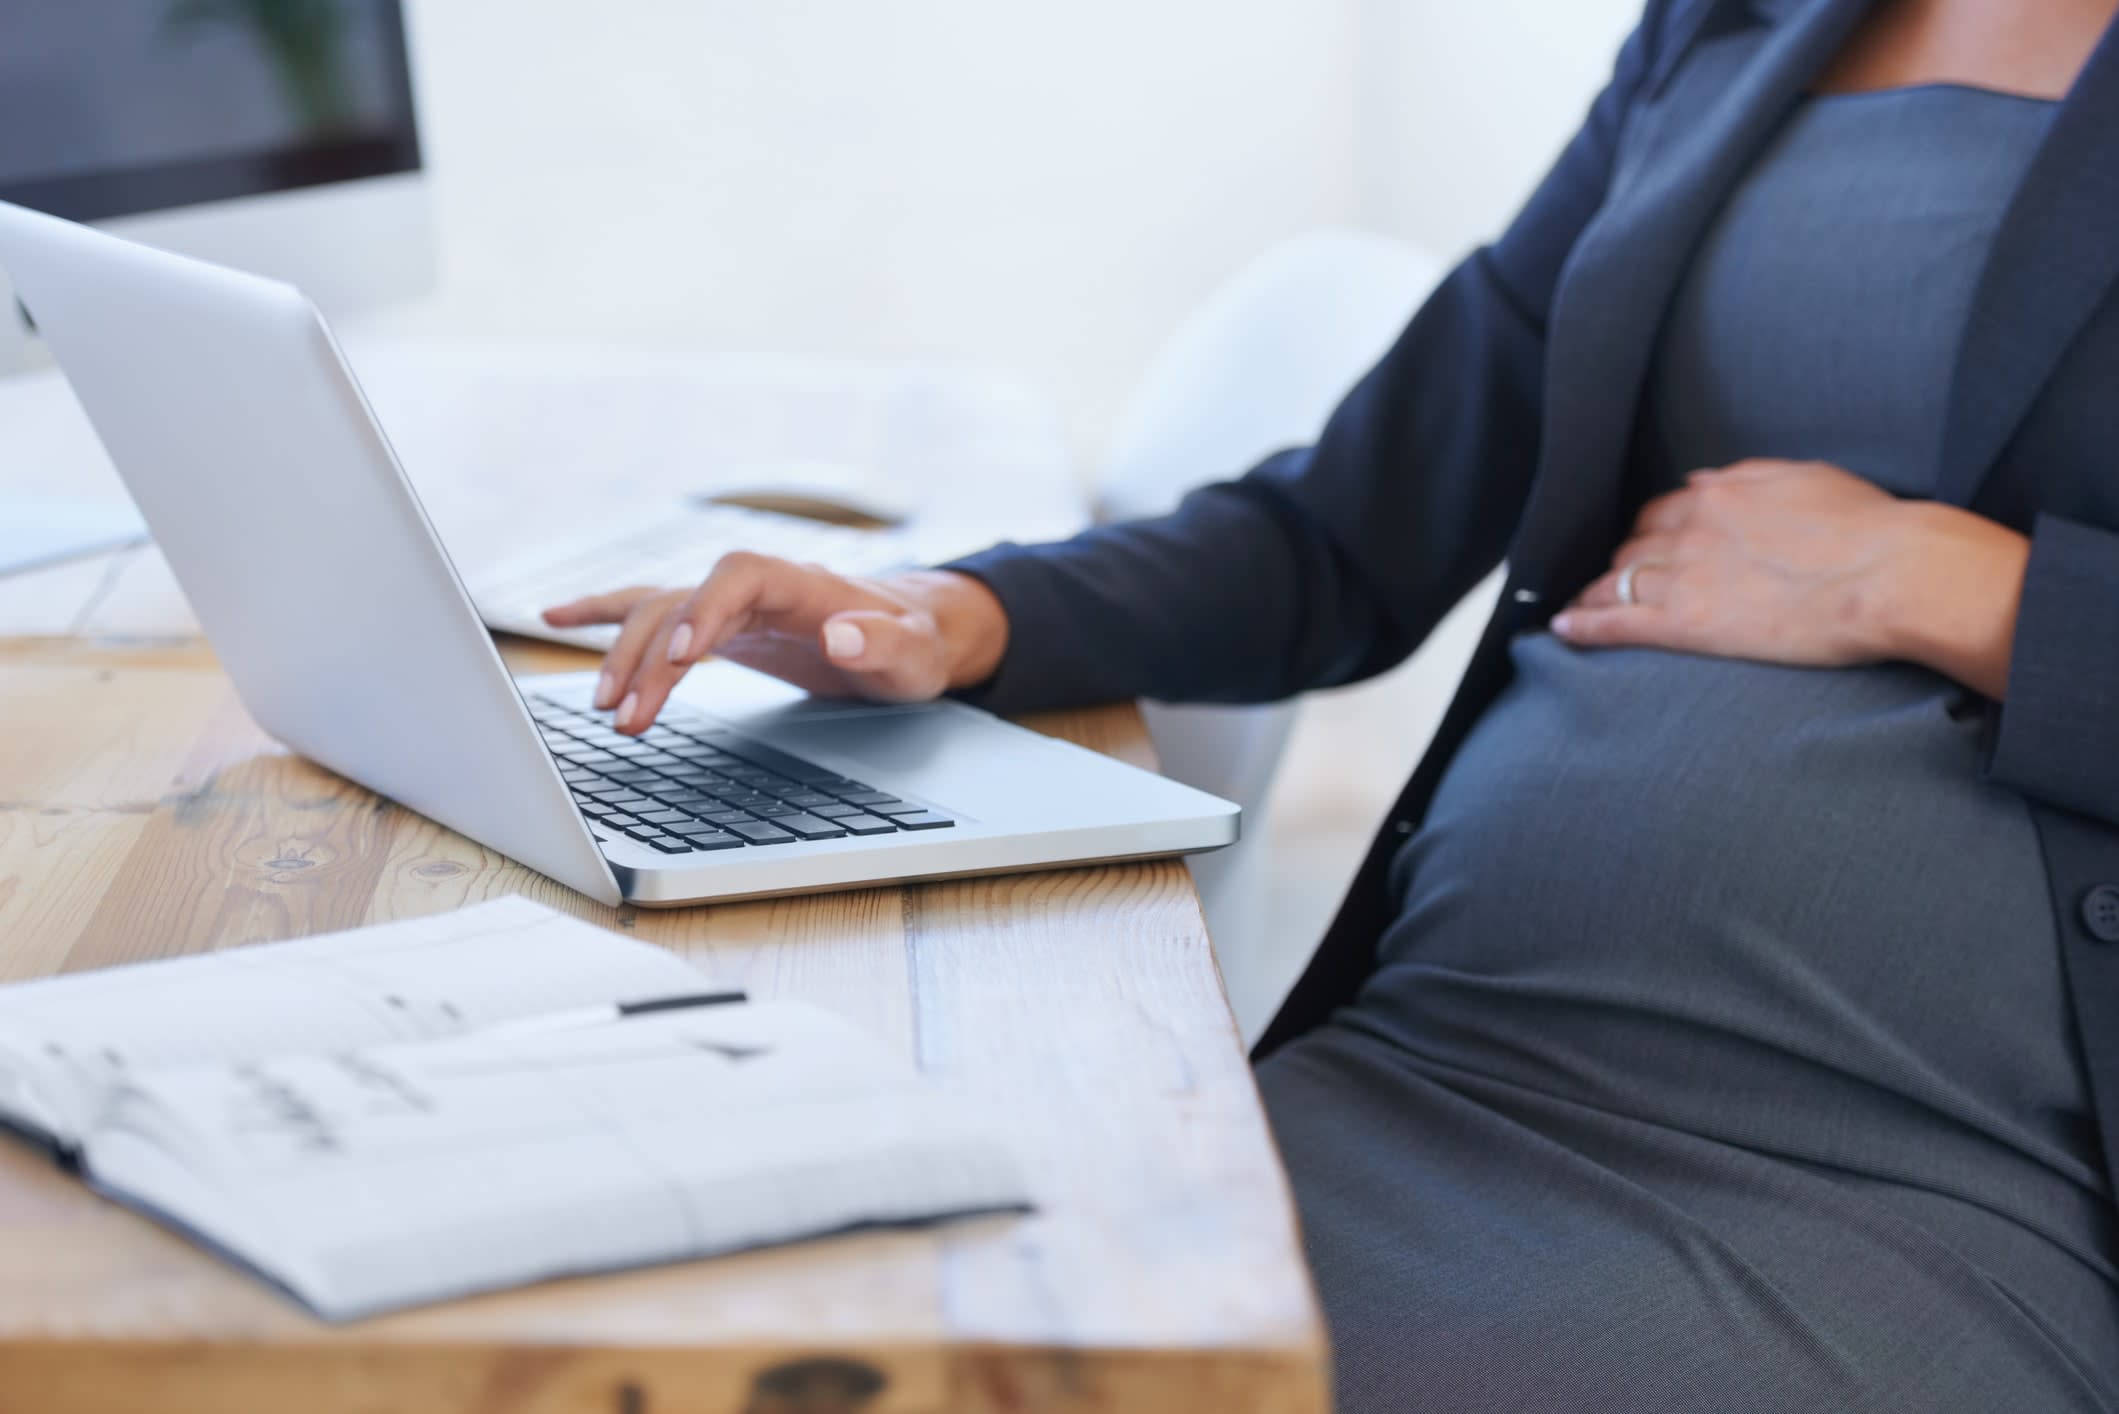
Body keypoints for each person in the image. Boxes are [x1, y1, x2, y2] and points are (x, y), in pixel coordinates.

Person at [547, 0, 2119, 1406]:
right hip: (1446, 1050)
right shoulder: (1727, 28)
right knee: (861, 1322)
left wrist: (1952, 586)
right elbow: (1352, 530)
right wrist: (954, 614)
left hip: (1901, 1166)